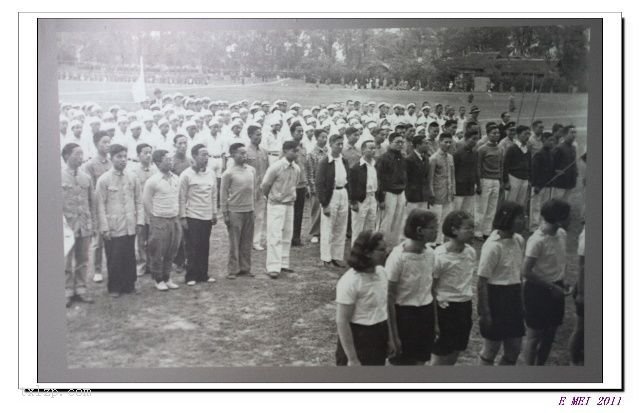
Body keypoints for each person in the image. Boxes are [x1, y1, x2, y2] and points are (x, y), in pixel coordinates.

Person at [386, 209, 439, 365]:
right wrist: (393, 336)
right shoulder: (398, 257)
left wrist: (434, 322)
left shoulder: (430, 254)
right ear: (419, 230)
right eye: (433, 228)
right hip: (404, 317)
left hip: (425, 314)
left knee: (420, 362)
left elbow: (431, 290)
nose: (436, 231)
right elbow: (389, 297)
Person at [477, 201, 527, 365]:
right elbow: (482, 281)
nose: (523, 220)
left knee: (514, 349)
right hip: (496, 298)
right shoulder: (492, 246)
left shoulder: (519, 240)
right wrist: (485, 312)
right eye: (519, 217)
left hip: (513, 297)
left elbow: (517, 274)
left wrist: (521, 300)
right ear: (507, 219)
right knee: (491, 349)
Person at [522, 199, 571, 366]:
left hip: (556, 289)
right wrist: (551, 286)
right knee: (534, 336)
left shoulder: (562, 234)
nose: (570, 220)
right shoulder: (537, 240)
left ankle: (541, 368)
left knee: (550, 334)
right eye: (567, 217)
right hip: (538, 291)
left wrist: (562, 282)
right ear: (558, 219)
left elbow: (559, 262)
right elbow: (526, 271)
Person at [96, 144, 144, 297]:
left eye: (125, 156)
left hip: (130, 223)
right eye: (119, 157)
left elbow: (139, 201)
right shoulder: (104, 180)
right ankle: (115, 287)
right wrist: (104, 227)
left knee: (129, 255)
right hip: (113, 225)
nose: (123, 160)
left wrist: (140, 221)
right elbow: (100, 205)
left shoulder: (132, 177)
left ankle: (130, 284)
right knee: (114, 256)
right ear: (111, 158)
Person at [335, 231, 391, 366]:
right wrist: (352, 359)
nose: (387, 253)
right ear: (367, 253)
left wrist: (389, 339)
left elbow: (384, 308)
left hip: (378, 335)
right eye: (381, 250)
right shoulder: (350, 281)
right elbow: (342, 321)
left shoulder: (382, 273)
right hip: (358, 338)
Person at [431, 211, 476, 365]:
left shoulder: (470, 252)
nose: (472, 232)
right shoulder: (439, 256)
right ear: (454, 230)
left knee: (456, 351)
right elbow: (431, 289)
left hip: (464, 307)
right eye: (468, 228)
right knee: (440, 356)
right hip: (445, 309)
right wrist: (435, 321)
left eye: (473, 228)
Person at [260, 140, 302, 278]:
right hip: (276, 204)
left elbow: (294, 185)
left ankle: (283, 264)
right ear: (285, 151)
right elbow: (265, 185)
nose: (296, 154)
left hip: (289, 204)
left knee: (287, 235)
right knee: (275, 235)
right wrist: (273, 198)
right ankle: (273, 266)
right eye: (293, 151)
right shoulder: (276, 167)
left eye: (297, 151)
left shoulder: (296, 168)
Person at [61, 143, 96, 307]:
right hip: (66, 226)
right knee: (66, 260)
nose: (80, 157)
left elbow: (91, 202)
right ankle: (67, 291)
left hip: (84, 224)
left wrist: (93, 223)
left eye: (82, 153)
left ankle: (81, 289)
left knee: (83, 258)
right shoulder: (57, 176)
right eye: (77, 153)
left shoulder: (86, 178)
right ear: (67, 156)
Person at [179, 144, 219, 285]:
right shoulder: (186, 175)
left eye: (207, 155)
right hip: (192, 216)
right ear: (194, 156)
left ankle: (203, 274)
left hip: (206, 216)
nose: (206, 158)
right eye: (203, 155)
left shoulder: (211, 174)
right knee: (192, 247)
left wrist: (214, 212)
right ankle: (190, 276)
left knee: (204, 246)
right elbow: (182, 198)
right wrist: (183, 217)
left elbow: (214, 195)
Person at [143, 149, 182, 291]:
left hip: (174, 219)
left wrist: (177, 215)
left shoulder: (176, 179)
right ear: (158, 162)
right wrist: (154, 217)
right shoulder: (152, 181)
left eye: (171, 159)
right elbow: (146, 202)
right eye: (167, 159)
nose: (170, 161)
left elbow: (179, 198)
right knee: (158, 251)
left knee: (172, 250)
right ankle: (158, 279)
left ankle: (167, 277)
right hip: (159, 220)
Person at [220, 143, 256, 279]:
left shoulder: (251, 170)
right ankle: (233, 270)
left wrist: (254, 209)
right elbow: (223, 194)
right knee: (234, 242)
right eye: (241, 153)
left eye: (245, 153)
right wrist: (225, 213)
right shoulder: (228, 173)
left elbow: (254, 191)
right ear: (233, 154)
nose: (244, 155)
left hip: (249, 210)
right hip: (235, 211)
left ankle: (245, 268)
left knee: (247, 241)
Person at [82, 131, 112, 283]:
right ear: (96, 144)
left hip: (112, 205)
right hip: (97, 205)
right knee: (98, 241)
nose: (107, 145)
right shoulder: (90, 165)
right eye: (104, 142)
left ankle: (113, 267)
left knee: (113, 238)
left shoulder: (112, 162)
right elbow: (90, 188)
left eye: (109, 142)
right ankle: (98, 269)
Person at [316, 134, 350, 268]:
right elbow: (319, 184)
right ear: (330, 144)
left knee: (341, 226)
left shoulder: (344, 161)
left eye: (342, 144)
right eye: (337, 144)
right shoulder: (325, 162)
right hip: (331, 194)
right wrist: (324, 203)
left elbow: (348, 179)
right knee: (328, 226)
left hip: (343, 193)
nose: (340, 147)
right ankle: (326, 257)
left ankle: (337, 256)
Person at [130, 143, 158, 276]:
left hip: (153, 208)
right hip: (140, 208)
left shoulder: (155, 170)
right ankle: (141, 264)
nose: (148, 155)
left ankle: (151, 263)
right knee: (141, 238)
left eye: (150, 152)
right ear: (138, 155)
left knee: (153, 237)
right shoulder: (133, 172)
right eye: (145, 153)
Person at [376, 132, 408, 246]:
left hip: (401, 192)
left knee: (398, 220)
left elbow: (405, 176)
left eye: (402, 142)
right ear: (390, 143)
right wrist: (381, 199)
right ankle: (381, 245)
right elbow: (379, 179)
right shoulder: (383, 158)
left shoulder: (403, 158)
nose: (400, 144)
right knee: (387, 221)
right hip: (388, 192)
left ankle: (393, 245)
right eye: (397, 142)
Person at [475, 124, 506, 239]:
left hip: (496, 180)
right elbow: (478, 167)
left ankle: (487, 231)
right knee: (482, 207)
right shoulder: (482, 149)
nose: (496, 135)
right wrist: (478, 183)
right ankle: (477, 231)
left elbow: (501, 166)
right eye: (493, 133)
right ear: (487, 135)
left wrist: (501, 181)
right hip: (485, 180)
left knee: (492, 207)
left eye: (498, 133)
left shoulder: (501, 149)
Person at [349, 140, 381, 246]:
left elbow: (379, 182)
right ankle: (355, 250)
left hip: (372, 198)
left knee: (371, 225)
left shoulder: (376, 165)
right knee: (358, 227)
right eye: (370, 148)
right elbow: (351, 186)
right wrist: (353, 202)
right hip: (361, 199)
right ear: (363, 150)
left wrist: (379, 198)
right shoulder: (356, 167)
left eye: (374, 148)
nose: (373, 151)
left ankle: (367, 250)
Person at [244, 125, 269, 251]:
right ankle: (246, 240)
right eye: (257, 134)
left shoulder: (264, 151)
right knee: (249, 216)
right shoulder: (245, 152)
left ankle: (256, 241)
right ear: (250, 135)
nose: (259, 137)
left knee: (260, 216)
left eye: (260, 134)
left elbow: (267, 170)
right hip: (249, 189)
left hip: (261, 188)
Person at [428, 133, 456, 245]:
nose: (448, 144)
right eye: (446, 142)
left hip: (448, 193)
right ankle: (432, 242)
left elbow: (452, 176)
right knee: (436, 219)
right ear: (440, 142)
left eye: (450, 142)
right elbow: (430, 178)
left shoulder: (450, 157)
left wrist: (453, 190)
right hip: (437, 193)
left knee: (445, 219)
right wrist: (432, 193)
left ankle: (441, 241)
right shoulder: (433, 158)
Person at [529, 132, 557, 231]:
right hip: (539, 185)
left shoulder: (551, 154)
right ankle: (534, 227)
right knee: (536, 207)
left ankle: (542, 225)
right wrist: (536, 184)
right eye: (550, 140)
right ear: (544, 140)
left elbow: (551, 169)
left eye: (553, 140)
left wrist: (556, 172)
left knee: (545, 206)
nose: (552, 142)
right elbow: (534, 171)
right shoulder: (539, 154)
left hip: (548, 185)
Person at [306, 129, 329, 244]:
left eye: (326, 137)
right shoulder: (312, 154)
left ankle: (324, 231)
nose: (324, 140)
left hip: (327, 185)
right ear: (316, 138)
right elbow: (310, 173)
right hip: (316, 185)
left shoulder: (327, 152)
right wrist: (313, 188)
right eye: (322, 137)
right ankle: (315, 233)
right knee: (316, 209)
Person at [404, 135, 435, 221]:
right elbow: (406, 179)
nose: (428, 145)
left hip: (424, 195)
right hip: (413, 196)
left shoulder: (426, 158)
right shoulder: (409, 159)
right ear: (418, 145)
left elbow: (427, 178)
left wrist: (428, 194)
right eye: (425, 143)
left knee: (422, 219)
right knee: (412, 219)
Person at [453, 130, 481, 217]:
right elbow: (454, 171)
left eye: (477, 139)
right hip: (460, 188)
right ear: (466, 139)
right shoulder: (458, 153)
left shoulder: (475, 153)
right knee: (457, 211)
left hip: (470, 187)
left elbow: (476, 169)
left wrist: (478, 185)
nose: (475, 142)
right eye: (473, 139)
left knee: (467, 212)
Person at [503, 125, 532, 206]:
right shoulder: (512, 148)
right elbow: (505, 165)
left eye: (529, 134)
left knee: (521, 204)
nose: (527, 136)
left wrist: (529, 179)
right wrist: (506, 181)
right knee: (510, 203)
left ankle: (517, 218)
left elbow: (529, 165)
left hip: (524, 179)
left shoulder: (527, 150)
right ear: (518, 135)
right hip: (514, 178)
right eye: (525, 134)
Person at [289, 122, 308, 247]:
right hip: (291, 184)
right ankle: (288, 237)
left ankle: (296, 237)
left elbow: (305, 166)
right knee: (290, 212)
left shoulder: (303, 147)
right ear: (292, 133)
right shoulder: (288, 147)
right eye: (298, 131)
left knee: (299, 212)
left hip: (302, 184)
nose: (300, 133)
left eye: (302, 131)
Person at [570, 224, 585, 366]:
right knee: (580, 328)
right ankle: (574, 362)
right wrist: (580, 292)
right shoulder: (586, 234)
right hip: (586, 287)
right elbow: (582, 265)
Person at [550, 125, 578, 201]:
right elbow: (551, 163)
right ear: (565, 134)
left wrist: (576, 172)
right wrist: (555, 171)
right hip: (560, 183)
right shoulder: (559, 148)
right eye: (571, 132)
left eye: (575, 132)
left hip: (570, 182)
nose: (574, 135)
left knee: (566, 204)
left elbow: (573, 162)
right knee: (556, 204)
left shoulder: (573, 148)